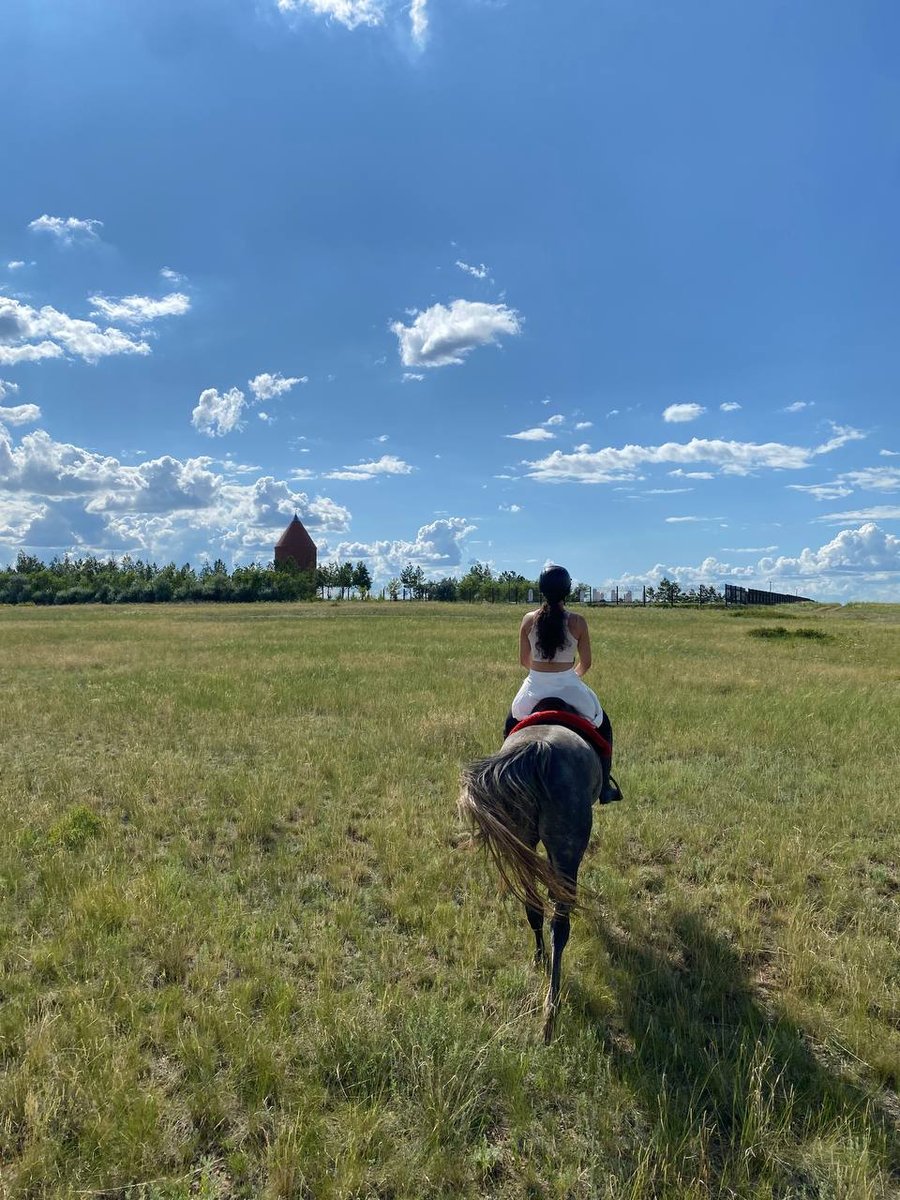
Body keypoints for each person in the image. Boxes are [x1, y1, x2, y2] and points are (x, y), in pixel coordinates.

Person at [506, 564, 621, 804]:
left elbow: (523, 660)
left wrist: (541, 673)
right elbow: (586, 663)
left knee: (512, 722)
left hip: (534, 686)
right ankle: (605, 786)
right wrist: (570, 677)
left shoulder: (528, 620)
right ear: (567, 590)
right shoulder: (578, 622)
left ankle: (505, 776)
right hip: (570, 685)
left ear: (541, 589)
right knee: (602, 723)